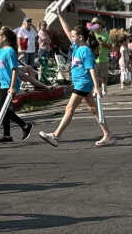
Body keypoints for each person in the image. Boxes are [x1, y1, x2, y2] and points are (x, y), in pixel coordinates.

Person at [39, 17, 114, 147]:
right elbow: (67, 31)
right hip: (81, 83)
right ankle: (107, 135)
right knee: (94, 110)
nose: (71, 38)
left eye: (74, 36)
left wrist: (96, 87)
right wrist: (60, 15)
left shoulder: (85, 51)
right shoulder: (76, 47)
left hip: (83, 83)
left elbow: (91, 69)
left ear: (80, 37)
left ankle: (55, 136)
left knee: (69, 108)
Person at [0, 27, 35, 143]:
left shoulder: (10, 51)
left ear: (4, 38)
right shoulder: (1, 51)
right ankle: (9, 134)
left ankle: (24, 126)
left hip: (9, 84)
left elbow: (14, 69)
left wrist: (12, 87)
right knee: (2, 110)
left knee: (2, 110)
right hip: (2, 83)